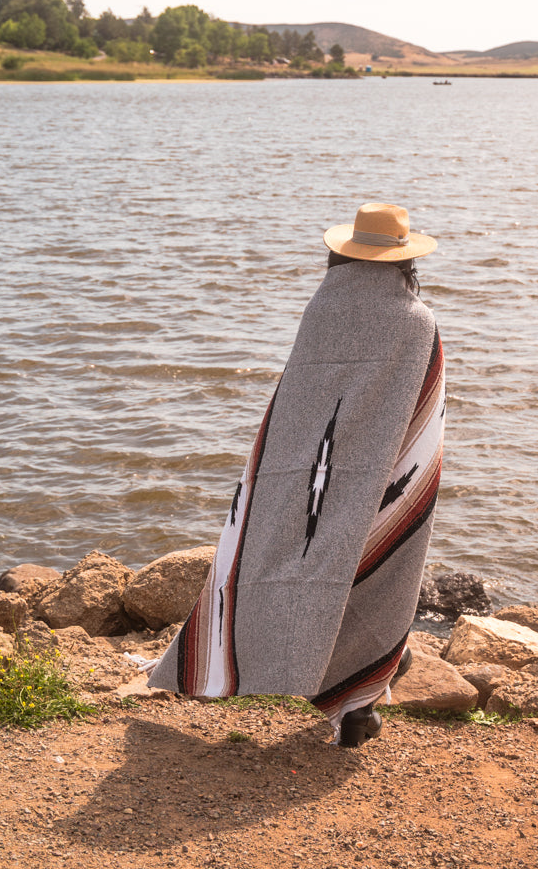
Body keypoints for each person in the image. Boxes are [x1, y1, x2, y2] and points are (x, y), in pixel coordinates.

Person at [147, 203, 445, 747]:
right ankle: (358, 705)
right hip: (381, 473)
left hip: (305, 471)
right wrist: (392, 472)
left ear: (343, 253)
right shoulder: (416, 321)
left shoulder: (321, 310)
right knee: (379, 579)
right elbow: (423, 418)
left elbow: (296, 404)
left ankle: (273, 671)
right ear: (405, 262)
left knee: (283, 562)